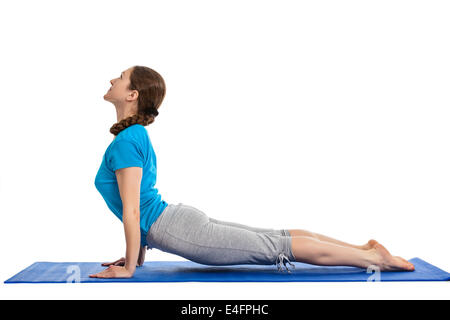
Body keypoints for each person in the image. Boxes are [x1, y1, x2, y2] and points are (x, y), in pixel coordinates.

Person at [90, 66, 415, 279]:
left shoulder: (126, 141)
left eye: (119, 77)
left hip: (175, 229)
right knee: (277, 237)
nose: (112, 80)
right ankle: (364, 250)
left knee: (276, 248)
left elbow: (133, 210)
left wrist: (130, 267)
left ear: (132, 94)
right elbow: (138, 204)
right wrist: (136, 255)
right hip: (174, 221)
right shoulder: (134, 136)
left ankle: (377, 260)